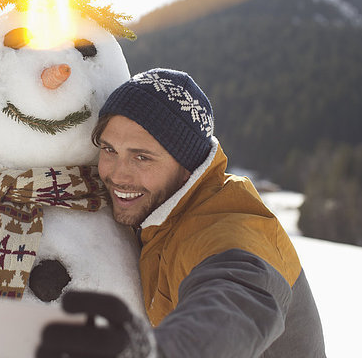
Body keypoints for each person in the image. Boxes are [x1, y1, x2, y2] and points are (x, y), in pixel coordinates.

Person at [37, 68, 326, 357]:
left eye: (142, 157)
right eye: (109, 150)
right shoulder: (159, 214)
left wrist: (155, 351)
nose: (116, 174)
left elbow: (233, 308)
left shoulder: (232, 225)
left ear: (187, 165)